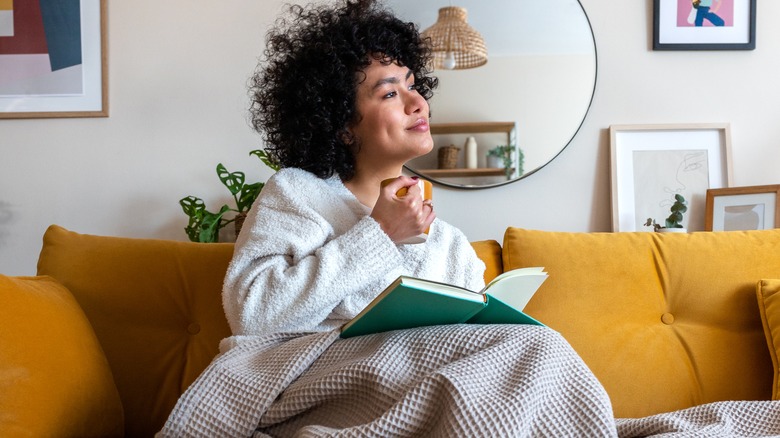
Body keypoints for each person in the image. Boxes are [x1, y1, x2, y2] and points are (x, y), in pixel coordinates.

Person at [158, 1, 616, 435]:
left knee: (530, 351)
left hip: (417, 391)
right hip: (319, 387)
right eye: (391, 92)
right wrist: (378, 233)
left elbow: (472, 350)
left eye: (413, 86)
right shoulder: (297, 194)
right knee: (540, 348)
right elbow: (254, 314)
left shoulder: (446, 241)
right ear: (341, 123)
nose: (418, 104)